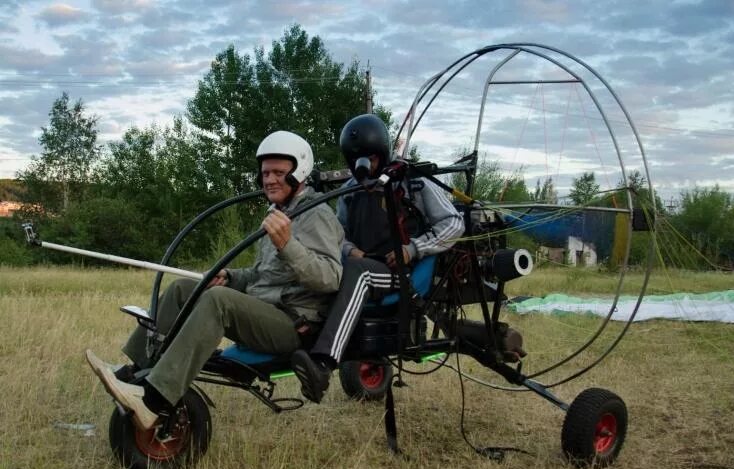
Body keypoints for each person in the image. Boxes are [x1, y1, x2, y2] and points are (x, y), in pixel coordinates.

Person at [86, 131, 344, 430]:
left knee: (218, 302)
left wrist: (288, 245)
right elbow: (264, 276)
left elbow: (330, 279)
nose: (269, 180)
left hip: (293, 324)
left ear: (299, 172)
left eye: (278, 173)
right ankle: (135, 373)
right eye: (265, 173)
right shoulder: (279, 212)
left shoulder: (317, 215)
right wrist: (231, 277)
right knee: (184, 288)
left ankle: (154, 401)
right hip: (265, 311)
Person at [291, 114, 465, 403]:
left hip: (405, 273)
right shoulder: (350, 192)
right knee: (325, 267)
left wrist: (414, 249)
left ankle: (323, 364)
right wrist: (348, 250)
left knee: (360, 272)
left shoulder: (413, 182)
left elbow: (453, 223)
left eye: (370, 159)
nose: (364, 166)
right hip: (363, 265)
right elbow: (338, 235)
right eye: (358, 160)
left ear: (382, 155)